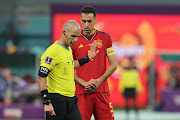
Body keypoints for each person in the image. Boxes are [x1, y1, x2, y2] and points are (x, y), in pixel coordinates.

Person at [37, 20, 99, 120]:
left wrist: (88, 58)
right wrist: (47, 102)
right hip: (57, 101)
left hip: (71, 100)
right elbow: (41, 77)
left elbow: (70, 65)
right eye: (73, 36)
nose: (75, 40)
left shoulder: (68, 49)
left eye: (78, 36)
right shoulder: (52, 52)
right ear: (64, 32)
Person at [71, 6, 117, 120]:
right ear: (80, 20)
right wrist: (84, 83)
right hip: (82, 92)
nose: (86, 24)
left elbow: (114, 65)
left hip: (101, 91)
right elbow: (68, 67)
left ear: (95, 20)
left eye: (89, 21)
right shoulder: (73, 40)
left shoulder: (105, 38)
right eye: (84, 21)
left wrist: (98, 81)